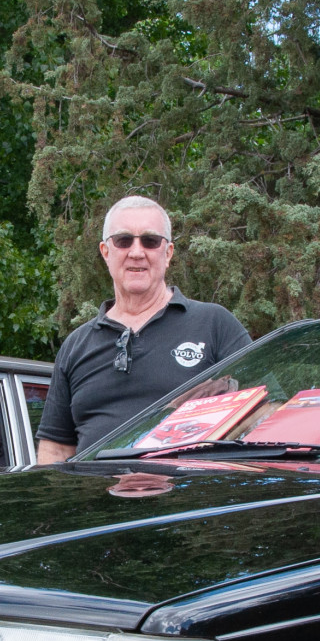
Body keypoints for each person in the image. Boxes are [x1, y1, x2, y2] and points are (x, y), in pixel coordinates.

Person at [34, 196, 253, 463]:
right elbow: (56, 449)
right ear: (106, 252)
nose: (136, 252)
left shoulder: (214, 325)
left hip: (189, 500)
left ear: (168, 253)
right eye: (123, 240)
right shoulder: (76, 345)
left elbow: (262, 413)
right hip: (96, 502)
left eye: (150, 241)